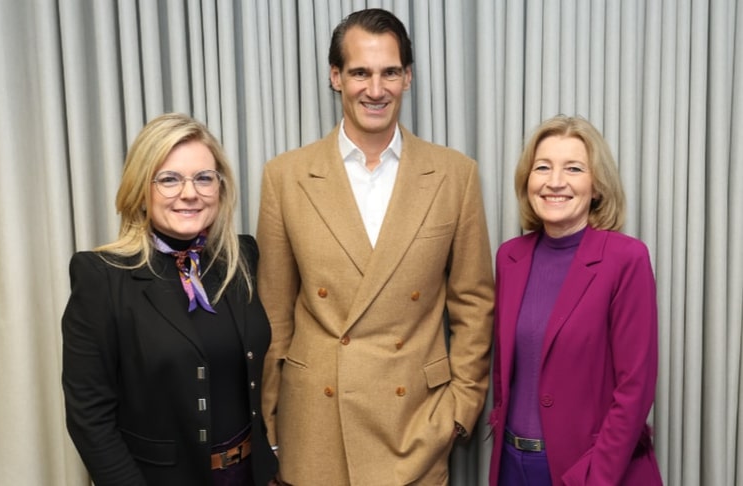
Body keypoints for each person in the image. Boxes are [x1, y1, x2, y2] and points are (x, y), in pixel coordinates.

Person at [256, 8, 495, 485]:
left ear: (408, 77)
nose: (376, 88)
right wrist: (272, 423)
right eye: (360, 72)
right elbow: (273, 313)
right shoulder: (286, 176)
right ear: (336, 77)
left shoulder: (454, 174)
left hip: (415, 426)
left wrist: (459, 410)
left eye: (389, 72)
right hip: (315, 426)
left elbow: (474, 303)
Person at [62, 113, 278, 486]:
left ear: (220, 186)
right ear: (140, 189)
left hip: (251, 475)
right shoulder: (101, 276)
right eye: (169, 179)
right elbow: (89, 418)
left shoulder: (242, 257)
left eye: (204, 178)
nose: (190, 193)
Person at [488, 115, 663, 485]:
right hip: (510, 465)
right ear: (527, 181)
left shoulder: (625, 259)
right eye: (542, 167)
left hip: (588, 468)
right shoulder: (509, 258)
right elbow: (505, 372)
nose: (555, 181)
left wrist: (595, 476)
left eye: (573, 168)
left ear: (596, 186)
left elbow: (635, 388)